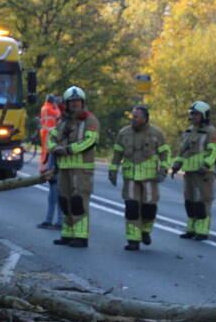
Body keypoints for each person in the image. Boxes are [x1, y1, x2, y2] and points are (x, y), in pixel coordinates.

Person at [109, 106, 170, 251]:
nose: (133, 119)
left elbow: (165, 154)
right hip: (130, 178)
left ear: (145, 118)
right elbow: (117, 154)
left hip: (150, 178)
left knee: (149, 209)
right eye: (132, 116)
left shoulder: (156, 134)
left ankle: (145, 231)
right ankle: (133, 240)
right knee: (132, 208)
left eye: (136, 117)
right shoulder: (124, 133)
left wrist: (163, 170)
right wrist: (113, 171)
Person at [47, 86, 99, 248]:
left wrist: (69, 149)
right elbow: (51, 138)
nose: (75, 104)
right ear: (67, 104)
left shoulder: (90, 120)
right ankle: (68, 234)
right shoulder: (62, 122)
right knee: (64, 201)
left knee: (78, 202)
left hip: (82, 169)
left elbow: (90, 141)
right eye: (72, 102)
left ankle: (81, 236)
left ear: (82, 102)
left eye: (77, 101)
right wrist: (53, 148)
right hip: (64, 169)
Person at [171, 101, 216, 241]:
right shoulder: (189, 130)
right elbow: (183, 151)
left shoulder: (211, 131)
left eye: (197, 114)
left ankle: (202, 231)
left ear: (204, 115)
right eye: (192, 114)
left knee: (202, 202)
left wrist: (205, 165)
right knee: (190, 201)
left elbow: (214, 151)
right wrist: (176, 165)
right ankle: (191, 229)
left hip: (203, 173)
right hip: (189, 172)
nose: (193, 117)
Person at [37, 94, 62, 229]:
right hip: (54, 163)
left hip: (60, 167)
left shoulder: (45, 108)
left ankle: (58, 221)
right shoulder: (52, 109)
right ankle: (53, 220)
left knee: (57, 196)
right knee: (53, 196)